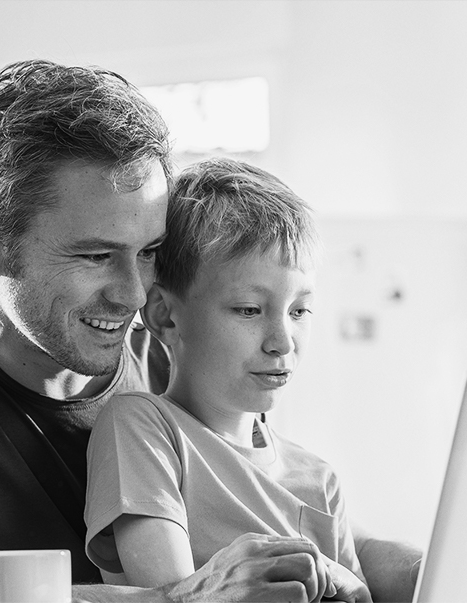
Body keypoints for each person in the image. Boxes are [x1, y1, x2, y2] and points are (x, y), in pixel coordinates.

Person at [0, 60, 423, 603]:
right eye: (95, 256)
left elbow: (294, 515)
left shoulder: (161, 347)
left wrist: (438, 567)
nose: (133, 293)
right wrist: (166, 600)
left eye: (148, 250)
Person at [83, 158, 369, 602]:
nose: (282, 342)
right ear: (165, 316)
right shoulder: (144, 430)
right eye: (249, 310)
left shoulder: (320, 479)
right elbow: (176, 594)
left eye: (299, 311)